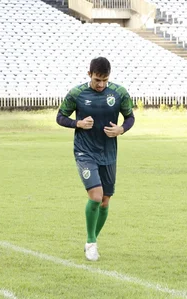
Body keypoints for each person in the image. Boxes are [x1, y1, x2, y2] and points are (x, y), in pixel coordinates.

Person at [56, 57, 135, 261]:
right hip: (85, 152)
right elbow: (60, 117)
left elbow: (130, 117)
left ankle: (91, 241)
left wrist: (121, 129)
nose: (100, 85)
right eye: (97, 80)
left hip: (108, 153)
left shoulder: (119, 93)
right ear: (89, 73)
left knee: (105, 201)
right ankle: (91, 241)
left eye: (105, 80)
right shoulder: (77, 93)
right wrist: (78, 123)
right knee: (96, 196)